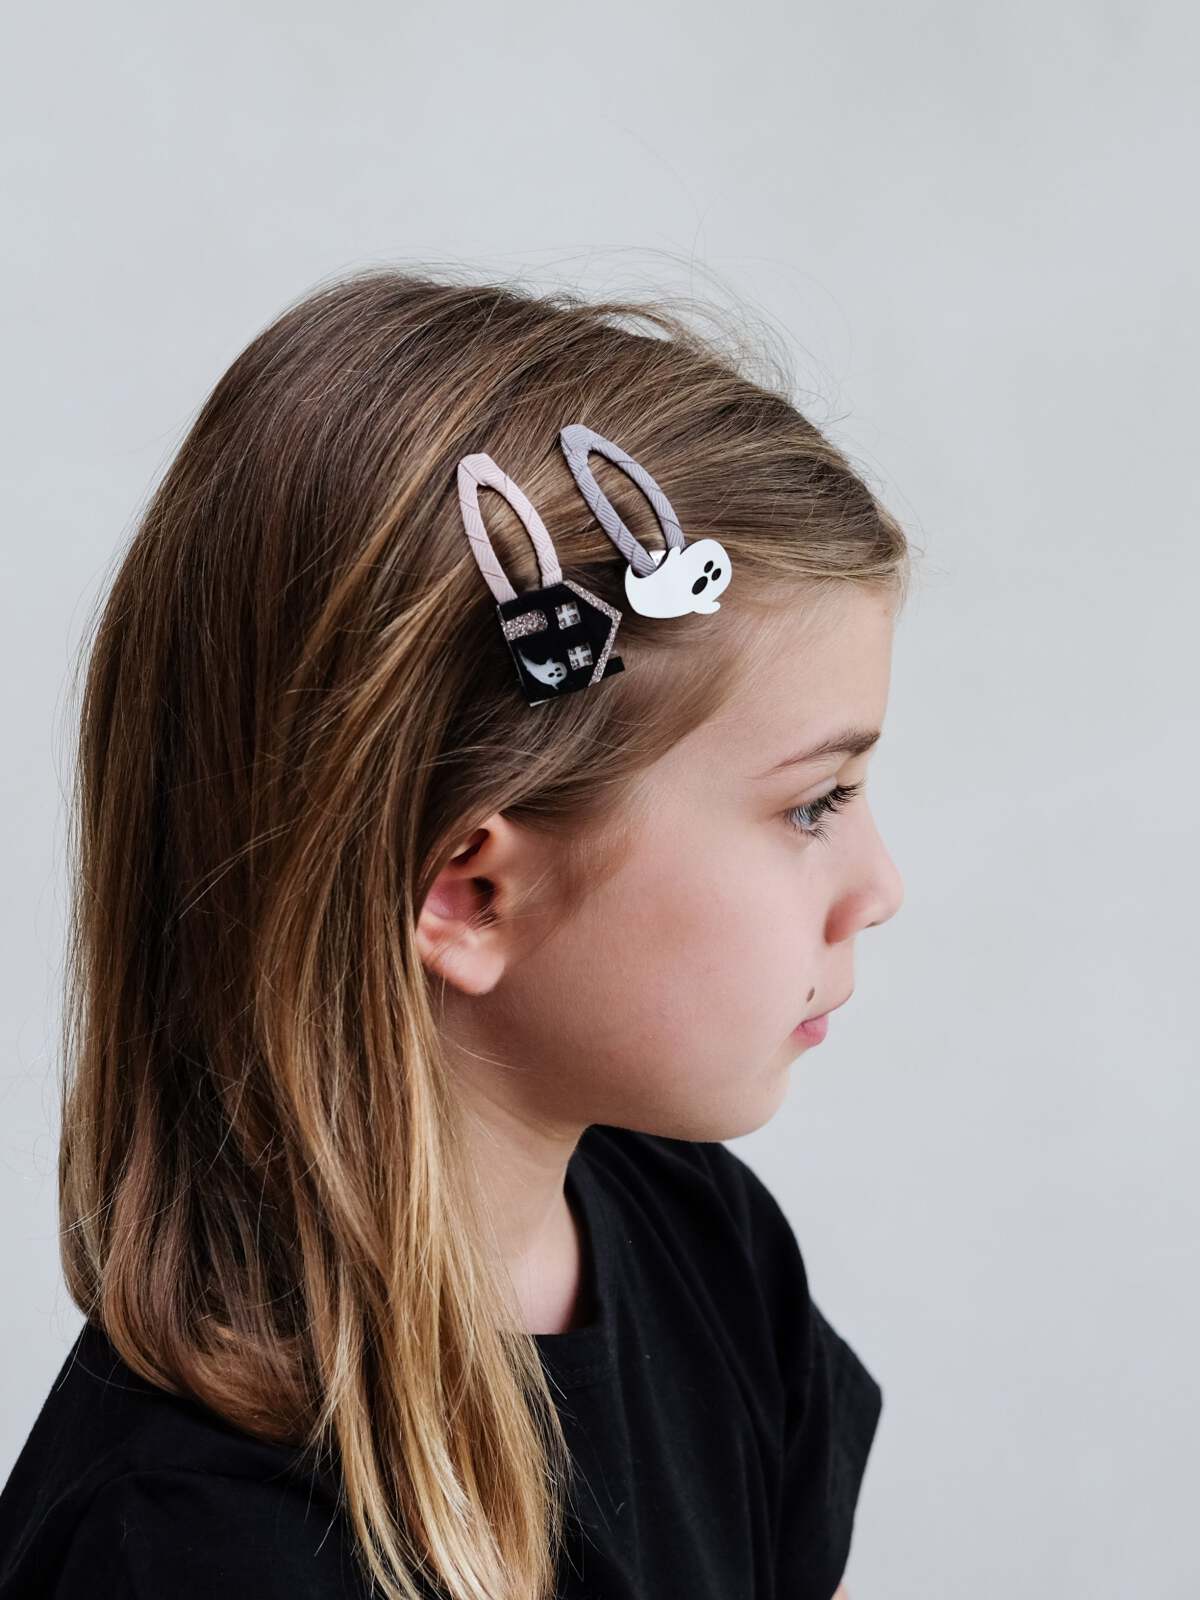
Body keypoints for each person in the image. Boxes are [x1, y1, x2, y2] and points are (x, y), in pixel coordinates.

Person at [0, 267, 910, 1600]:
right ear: (470, 895)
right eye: (813, 802)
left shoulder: (696, 1243)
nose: (879, 884)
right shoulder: (192, 1548)